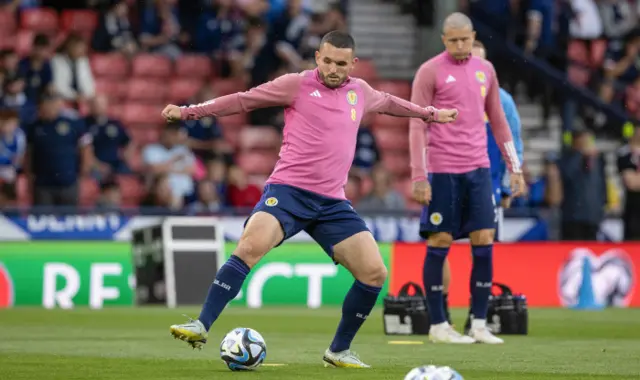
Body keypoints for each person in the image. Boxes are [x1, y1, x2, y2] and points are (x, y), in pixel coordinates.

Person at [162, 30, 458, 368]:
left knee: (374, 272)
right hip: (288, 192)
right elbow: (243, 100)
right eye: (328, 61)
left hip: (331, 203)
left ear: (353, 64)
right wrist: (188, 113)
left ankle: (338, 350)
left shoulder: (360, 92)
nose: (333, 68)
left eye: (341, 63)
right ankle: (201, 325)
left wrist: (429, 114)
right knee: (249, 246)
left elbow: (390, 103)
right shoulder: (296, 84)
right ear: (318, 57)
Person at [409, 13, 524, 345]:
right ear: (444, 39)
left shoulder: (485, 70)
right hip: (443, 171)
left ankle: (478, 322)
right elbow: (416, 123)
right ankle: (438, 324)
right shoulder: (429, 71)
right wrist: (419, 174)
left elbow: (499, 121)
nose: (460, 46)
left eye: (465, 40)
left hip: (479, 170)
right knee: (439, 242)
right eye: (453, 40)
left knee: (484, 240)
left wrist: (514, 168)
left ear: (473, 37)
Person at [437, 39, 525, 325]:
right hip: (447, 179)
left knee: (482, 249)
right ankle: (442, 314)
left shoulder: (502, 100)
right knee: (440, 246)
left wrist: (510, 178)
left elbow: (512, 142)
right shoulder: (442, 96)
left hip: (485, 183)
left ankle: (477, 317)